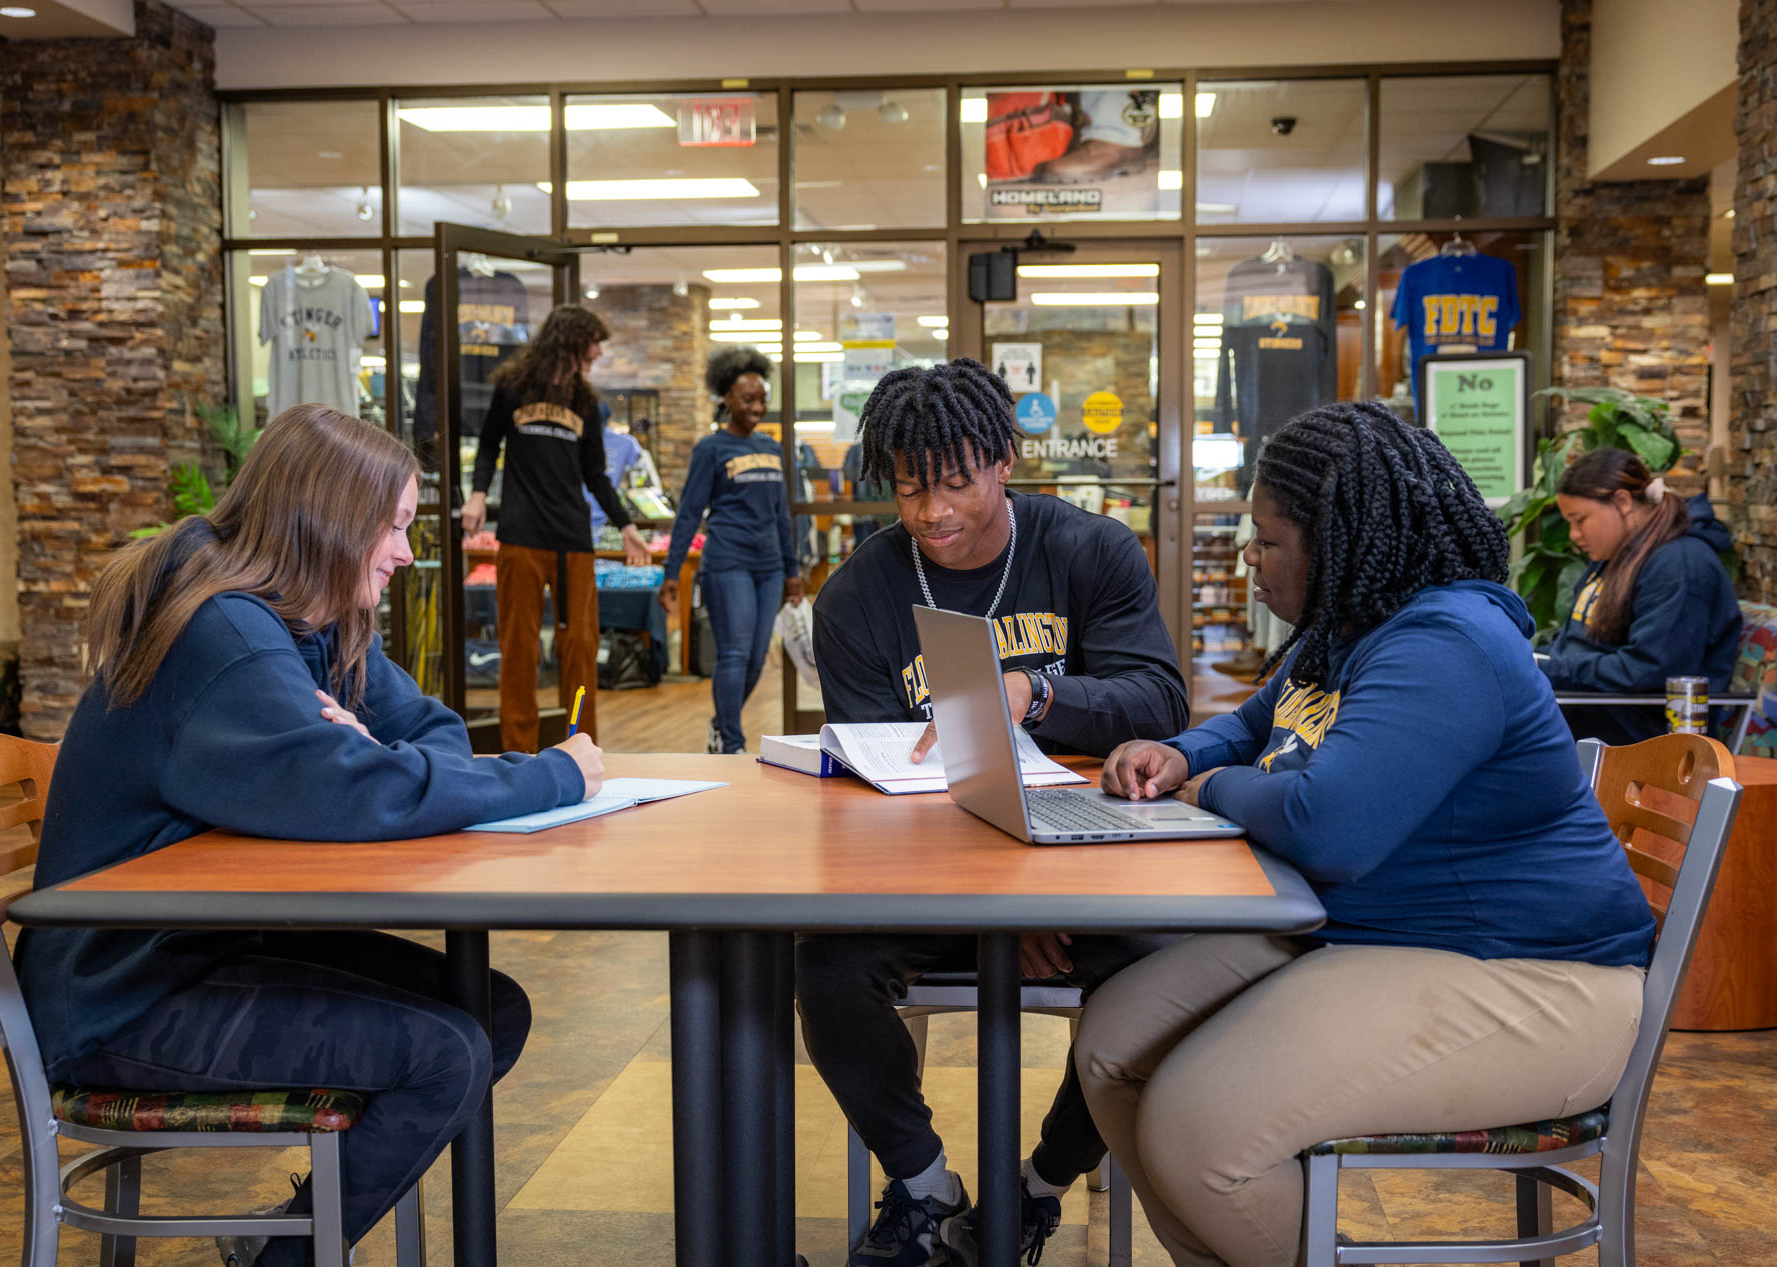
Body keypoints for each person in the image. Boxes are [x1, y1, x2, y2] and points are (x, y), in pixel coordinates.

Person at [15, 404, 605, 1267]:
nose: (406, 552)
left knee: (489, 1011)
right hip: (119, 996)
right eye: (395, 527)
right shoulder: (224, 636)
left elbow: (430, 730)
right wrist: (553, 771)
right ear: (331, 519)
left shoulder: (305, 617)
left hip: (195, 950)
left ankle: (280, 1232)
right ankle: (279, 1254)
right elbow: (352, 795)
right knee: (446, 1055)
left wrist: (374, 758)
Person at [1077, 401, 1657, 1267]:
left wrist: (1209, 786)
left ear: (1337, 541)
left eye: (1268, 540)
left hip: (1536, 982)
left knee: (1199, 1125)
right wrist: (1174, 751)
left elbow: (1328, 826)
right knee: (1113, 1043)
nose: (1250, 555)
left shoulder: (1446, 644)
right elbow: (1250, 728)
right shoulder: (1348, 629)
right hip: (1386, 934)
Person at [803, 357, 1188, 1267]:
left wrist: (1037, 693)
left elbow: (1160, 700)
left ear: (1005, 458)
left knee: (1164, 969)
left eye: (954, 481)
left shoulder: (1089, 550)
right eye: (906, 487)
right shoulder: (857, 598)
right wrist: (990, 914)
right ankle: (927, 1187)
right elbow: (883, 789)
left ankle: (1037, 1189)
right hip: (939, 881)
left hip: (1082, 873)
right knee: (825, 965)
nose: (933, 510)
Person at [461, 305, 650, 753]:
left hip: (572, 542)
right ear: (570, 340)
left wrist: (626, 525)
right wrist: (476, 494)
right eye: (593, 342)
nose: (598, 351)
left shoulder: (586, 401)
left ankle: (582, 747)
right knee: (520, 650)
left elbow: (596, 474)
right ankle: (517, 753)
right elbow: (488, 446)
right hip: (521, 537)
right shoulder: (512, 387)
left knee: (579, 651)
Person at [1542, 446, 1741, 744]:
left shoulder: (1680, 564)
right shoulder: (1617, 556)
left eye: (1580, 520)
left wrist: (1552, 669)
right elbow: (1578, 645)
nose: (1573, 534)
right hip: (1589, 714)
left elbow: (1650, 670)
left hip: (1640, 736)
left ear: (1622, 501)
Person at [659, 347, 804, 754]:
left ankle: (721, 724)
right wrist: (672, 573)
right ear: (727, 399)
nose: (757, 406)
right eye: (748, 399)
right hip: (728, 563)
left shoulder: (772, 449)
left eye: (762, 399)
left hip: (770, 567)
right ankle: (731, 741)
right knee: (735, 653)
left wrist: (793, 569)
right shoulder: (712, 449)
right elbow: (689, 514)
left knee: (757, 659)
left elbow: (782, 514)